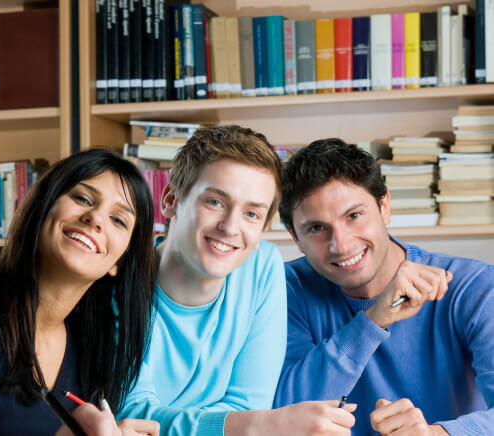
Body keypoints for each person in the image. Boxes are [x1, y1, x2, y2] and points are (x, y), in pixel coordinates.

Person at [119, 126, 357, 436]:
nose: (231, 227)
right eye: (215, 202)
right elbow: (134, 416)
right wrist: (264, 424)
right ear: (170, 199)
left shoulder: (262, 267)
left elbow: (248, 404)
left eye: (251, 214)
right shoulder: (118, 277)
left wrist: (248, 423)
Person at [274, 138, 494, 435]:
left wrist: (436, 434)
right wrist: (374, 319)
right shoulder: (284, 289)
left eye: (354, 216)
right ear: (294, 236)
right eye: (316, 228)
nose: (341, 245)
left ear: (384, 206)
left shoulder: (474, 287)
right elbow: (282, 415)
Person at [0, 149, 160, 436]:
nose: (95, 218)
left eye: (119, 220)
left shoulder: (93, 346)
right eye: (82, 199)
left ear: (119, 262)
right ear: (44, 206)